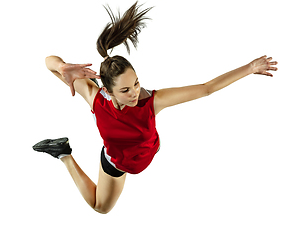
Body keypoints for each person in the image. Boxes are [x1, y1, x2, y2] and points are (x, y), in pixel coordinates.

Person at [33, 1, 278, 214]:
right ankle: (63, 153)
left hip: (147, 150)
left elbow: (206, 88)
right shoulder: (95, 96)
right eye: (126, 91)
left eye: (136, 83)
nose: (135, 93)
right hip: (117, 160)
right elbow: (48, 62)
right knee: (101, 207)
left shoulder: (152, 102)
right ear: (108, 91)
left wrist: (250, 68)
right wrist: (63, 67)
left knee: (140, 146)